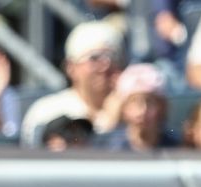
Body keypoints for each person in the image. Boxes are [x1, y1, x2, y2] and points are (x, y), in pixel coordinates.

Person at [20, 20, 125, 148]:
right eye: (95, 58)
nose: (105, 65)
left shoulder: (139, 110)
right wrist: (105, 122)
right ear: (71, 67)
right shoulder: (48, 111)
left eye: (112, 57)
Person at [98, 63, 178, 151]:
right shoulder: (106, 147)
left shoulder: (176, 146)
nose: (143, 110)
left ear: (161, 107)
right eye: (135, 102)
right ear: (123, 108)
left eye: (150, 102)